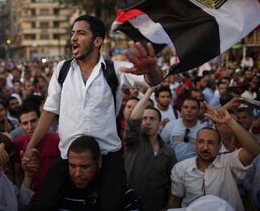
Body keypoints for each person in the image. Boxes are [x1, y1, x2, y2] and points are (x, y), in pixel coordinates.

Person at [24, 15, 163, 210]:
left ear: (98, 41)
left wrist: (152, 69)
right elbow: (49, 111)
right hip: (69, 158)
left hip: (107, 158)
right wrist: (31, 145)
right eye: (72, 33)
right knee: (44, 204)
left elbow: (153, 81)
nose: (73, 38)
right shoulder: (62, 70)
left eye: (81, 33)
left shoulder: (114, 70)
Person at [167, 108, 260, 211]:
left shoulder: (229, 162)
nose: (205, 147)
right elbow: (175, 200)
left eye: (211, 143)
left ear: (219, 146)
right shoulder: (180, 168)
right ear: (196, 144)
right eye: (201, 142)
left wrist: (229, 121)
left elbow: (254, 150)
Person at [37, 135, 143, 210]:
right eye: (72, 166)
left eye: (85, 166)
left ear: (99, 162)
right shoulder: (58, 195)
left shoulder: (123, 195)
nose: (77, 173)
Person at [125, 87, 176, 211]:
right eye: (144, 118)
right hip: (130, 205)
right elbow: (132, 121)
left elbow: (172, 182)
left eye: (152, 119)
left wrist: (168, 205)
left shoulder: (168, 152)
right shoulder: (134, 141)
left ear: (160, 123)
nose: (147, 122)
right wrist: (149, 91)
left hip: (157, 205)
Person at [13, 103, 59, 195]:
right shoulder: (18, 143)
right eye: (25, 123)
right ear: (20, 125)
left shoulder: (56, 139)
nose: (30, 127)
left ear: (40, 120)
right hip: (30, 197)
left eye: (33, 121)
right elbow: (17, 174)